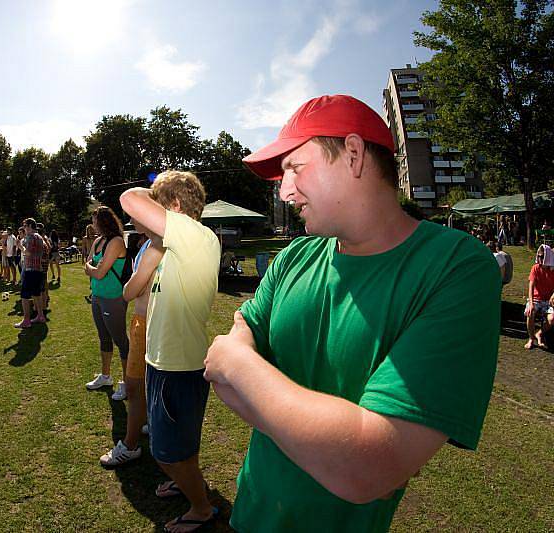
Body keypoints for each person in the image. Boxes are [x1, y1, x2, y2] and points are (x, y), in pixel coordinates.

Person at [201, 94, 501, 532]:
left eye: (294, 168)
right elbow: (219, 376)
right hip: (247, 515)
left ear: (354, 155)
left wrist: (239, 362)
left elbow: (366, 468)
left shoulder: (456, 267)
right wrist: (338, 450)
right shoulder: (293, 258)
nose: (284, 191)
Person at [120, 171, 221, 532]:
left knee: (166, 451)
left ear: (174, 208)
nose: (143, 217)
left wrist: (152, 192)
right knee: (181, 443)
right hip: (168, 363)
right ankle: (186, 483)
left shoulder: (195, 236)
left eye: (158, 206)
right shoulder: (178, 244)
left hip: (178, 367)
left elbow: (130, 198)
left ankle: (201, 508)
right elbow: (132, 292)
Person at [100, 224, 163, 467]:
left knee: (136, 385)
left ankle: (130, 445)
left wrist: (133, 285)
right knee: (145, 383)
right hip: (145, 319)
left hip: (148, 321)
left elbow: (129, 291)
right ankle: (145, 425)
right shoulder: (148, 243)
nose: (132, 219)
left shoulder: (157, 245)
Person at [83, 207, 129, 395]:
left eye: (95, 221)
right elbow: (87, 264)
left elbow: (98, 272)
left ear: (104, 221)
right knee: (104, 338)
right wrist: (94, 268)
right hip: (97, 296)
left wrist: (94, 269)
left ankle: (127, 383)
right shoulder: (98, 241)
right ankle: (105, 376)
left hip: (113, 297)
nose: (93, 226)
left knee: (121, 341)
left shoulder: (116, 242)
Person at [15, 219, 47, 328]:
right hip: (38, 269)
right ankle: (40, 316)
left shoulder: (30, 237)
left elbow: (27, 253)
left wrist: (20, 246)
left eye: (24, 226)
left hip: (30, 270)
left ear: (29, 226)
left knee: (24, 296)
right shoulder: (39, 237)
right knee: (36, 294)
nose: (24, 228)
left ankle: (26, 320)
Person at [524, 244, 554, 349]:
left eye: (543, 256)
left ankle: (539, 333)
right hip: (536, 299)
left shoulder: (552, 270)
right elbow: (531, 286)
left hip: (548, 301)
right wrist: (531, 303)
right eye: (539, 256)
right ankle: (531, 338)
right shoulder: (536, 268)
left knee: (552, 319)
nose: (540, 259)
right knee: (530, 312)